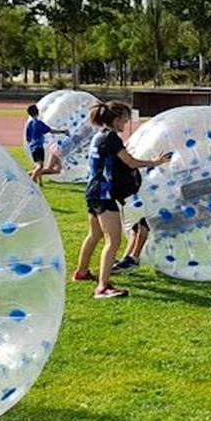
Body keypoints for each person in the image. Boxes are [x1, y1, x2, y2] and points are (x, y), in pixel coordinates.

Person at [75, 100, 172, 298]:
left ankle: (81, 272)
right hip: (104, 194)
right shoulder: (111, 138)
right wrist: (156, 162)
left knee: (94, 235)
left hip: (93, 192)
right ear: (116, 119)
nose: (126, 124)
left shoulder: (99, 136)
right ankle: (102, 287)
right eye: (125, 120)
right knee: (113, 241)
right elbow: (130, 162)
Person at [24, 104, 66, 185]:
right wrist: (62, 131)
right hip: (38, 146)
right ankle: (32, 180)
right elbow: (50, 130)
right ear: (37, 112)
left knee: (38, 165)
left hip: (32, 147)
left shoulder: (29, 124)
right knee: (40, 167)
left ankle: (40, 182)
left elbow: (27, 138)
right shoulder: (39, 123)